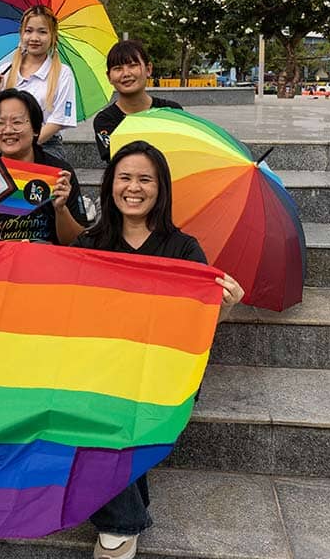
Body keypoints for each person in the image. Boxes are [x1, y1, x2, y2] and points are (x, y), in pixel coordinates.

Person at [72, 141, 244, 559]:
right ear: (110, 184)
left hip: (164, 374)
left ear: (160, 188)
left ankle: (119, 523)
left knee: (113, 417)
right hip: (103, 370)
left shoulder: (184, 250)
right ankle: (125, 518)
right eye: (125, 177)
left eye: (145, 179)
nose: (134, 188)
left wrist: (226, 308)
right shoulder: (88, 246)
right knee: (94, 409)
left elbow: (195, 328)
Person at [0, 89, 88, 245]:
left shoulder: (59, 173)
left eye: (17, 122)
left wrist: (61, 210)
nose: (8, 130)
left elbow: (77, 242)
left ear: (36, 129)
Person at [0, 5, 76, 161]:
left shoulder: (62, 73)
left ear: (53, 36)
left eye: (42, 32)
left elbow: (58, 120)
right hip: (10, 143)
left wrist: (28, 146)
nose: (34, 38)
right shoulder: (6, 71)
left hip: (46, 146)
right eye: (29, 31)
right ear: (21, 34)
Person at [94, 40, 183, 163]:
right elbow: (118, 161)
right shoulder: (105, 120)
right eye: (118, 68)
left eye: (133, 65)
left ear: (148, 69)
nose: (126, 74)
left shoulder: (171, 111)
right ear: (109, 77)